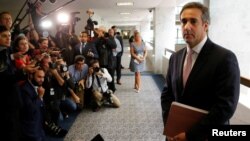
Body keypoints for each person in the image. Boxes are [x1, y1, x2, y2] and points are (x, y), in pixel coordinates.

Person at [161, 2, 240, 141]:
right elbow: (167, 94)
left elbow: (225, 107)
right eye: (183, 21)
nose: (187, 27)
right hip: (175, 135)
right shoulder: (175, 58)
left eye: (193, 21)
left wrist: (191, 135)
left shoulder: (225, 58)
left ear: (205, 25)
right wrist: (169, 126)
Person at [19, 68, 46, 141]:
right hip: (30, 130)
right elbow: (30, 110)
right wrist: (40, 97)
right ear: (31, 76)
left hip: (39, 126)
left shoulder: (38, 85)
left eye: (43, 77)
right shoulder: (24, 89)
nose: (42, 80)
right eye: (39, 77)